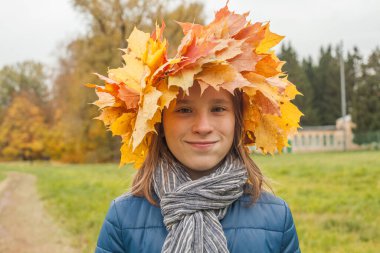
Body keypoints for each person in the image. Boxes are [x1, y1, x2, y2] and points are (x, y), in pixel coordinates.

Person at [90, 5, 302, 253]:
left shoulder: (276, 219)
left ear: (238, 121)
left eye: (218, 109)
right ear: (158, 123)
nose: (203, 127)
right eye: (184, 110)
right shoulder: (123, 219)